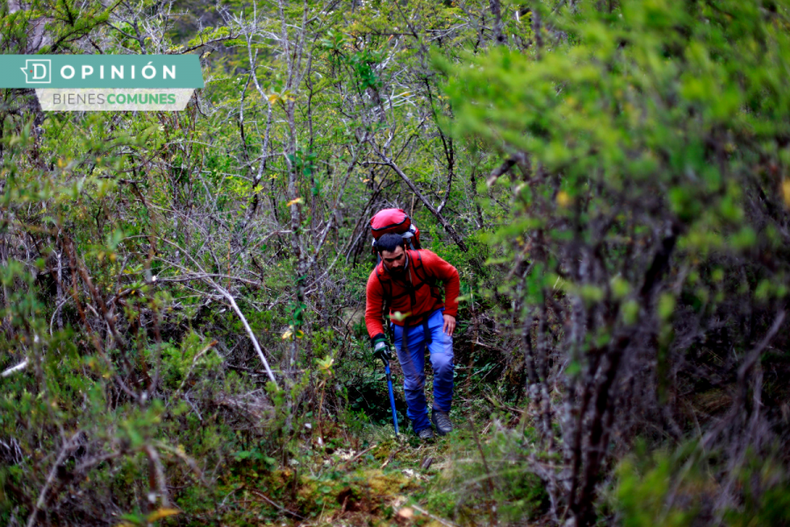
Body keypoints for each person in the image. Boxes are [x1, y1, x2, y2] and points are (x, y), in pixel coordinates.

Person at [365, 233, 460, 440]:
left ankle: (441, 412)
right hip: (403, 327)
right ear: (381, 257)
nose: (396, 263)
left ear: (405, 249)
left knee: (443, 363)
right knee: (414, 381)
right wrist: (378, 339)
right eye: (389, 260)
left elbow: (451, 275)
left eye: (399, 257)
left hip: (434, 317)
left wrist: (451, 312)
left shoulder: (425, 260)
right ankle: (421, 425)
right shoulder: (377, 278)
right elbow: (372, 315)